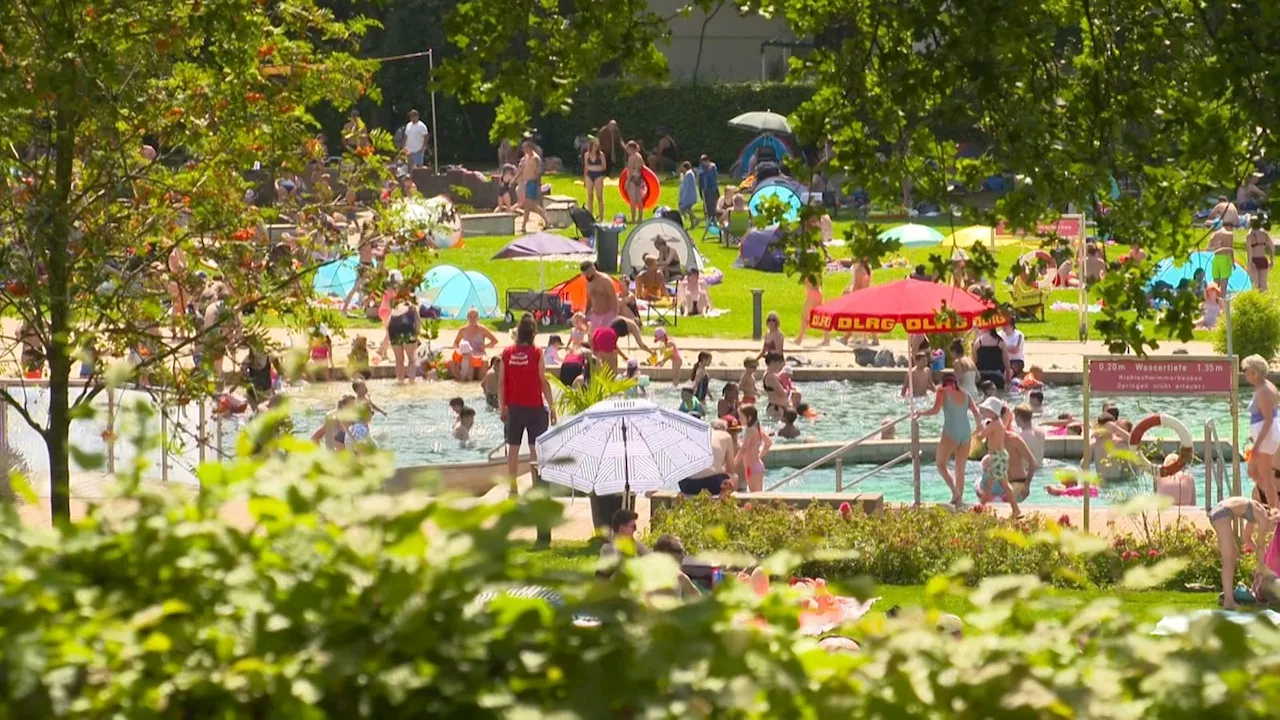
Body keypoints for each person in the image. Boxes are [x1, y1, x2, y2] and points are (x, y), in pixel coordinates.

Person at [499, 316, 558, 490]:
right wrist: (552, 407)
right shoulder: (536, 352)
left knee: (513, 449)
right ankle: (537, 486)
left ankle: (513, 487)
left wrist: (502, 407)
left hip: (514, 408)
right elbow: (543, 380)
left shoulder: (507, 353)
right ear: (533, 333)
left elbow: (501, 382)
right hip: (535, 407)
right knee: (535, 449)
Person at [917, 372, 983, 507]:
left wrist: (921, 413)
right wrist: (979, 427)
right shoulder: (966, 395)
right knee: (960, 468)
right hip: (966, 433)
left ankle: (955, 492)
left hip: (951, 432)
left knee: (941, 464)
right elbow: (976, 412)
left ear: (944, 383)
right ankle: (959, 501)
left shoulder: (942, 392)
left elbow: (935, 410)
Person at [1209, 496, 1278, 609]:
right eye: (1273, 527)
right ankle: (1228, 601)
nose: (1270, 531)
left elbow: (1247, 539)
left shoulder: (1257, 509)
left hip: (1218, 512)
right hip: (1222, 514)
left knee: (1234, 552)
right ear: (1273, 520)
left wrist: (1257, 553)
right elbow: (1261, 545)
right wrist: (1261, 565)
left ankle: (1228, 594)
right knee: (1229, 560)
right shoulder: (1264, 518)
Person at [1244, 354, 1280, 509]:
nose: (1245, 374)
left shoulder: (1265, 391)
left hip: (1266, 439)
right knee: (1254, 472)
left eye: (1247, 371)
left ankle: (1274, 511)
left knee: (1264, 477)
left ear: (1255, 373)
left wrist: (1257, 445)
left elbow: (1268, 420)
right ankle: (1273, 506)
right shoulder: (1263, 387)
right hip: (1264, 437)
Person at [976, 407, 1022, 517]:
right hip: (1000, 456)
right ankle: (1015, 509)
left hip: (997, 457)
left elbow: (980, 437)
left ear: (992, 412)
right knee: (997, 485)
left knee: (997, 486)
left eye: (987, 411)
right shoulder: (999, 423)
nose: (985, 413)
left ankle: (979, 508)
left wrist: (978, 425)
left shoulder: (993, 425)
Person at [679, 418, 738, 495]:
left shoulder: (698, 433)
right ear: (724, 429)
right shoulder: (726, 436)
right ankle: (730, 503)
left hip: (688, 484)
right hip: (712, 483)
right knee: (734, 477)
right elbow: (731, 469)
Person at [452, 308, 500, 379]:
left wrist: (485, 346)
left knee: (485, 361)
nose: (472, 319)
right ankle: (459, 381)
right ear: (467, 318)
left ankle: (480, 382)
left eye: (474, 317)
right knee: (452, 361)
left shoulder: (482, 329)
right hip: (466, 353)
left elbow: (495, 340)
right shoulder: (462, 330)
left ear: (478, 318)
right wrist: (457, 349)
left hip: (479, 352)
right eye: (470, 317)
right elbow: (456, 343)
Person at [651, 535, 702, 599]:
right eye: (679, 551)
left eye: (683, 552)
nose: (683, 556)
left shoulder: (680, 577)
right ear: (665, 553)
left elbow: (699, 599)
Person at [737, 405, 772, 493]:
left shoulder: (749, 430)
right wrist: (759, 456)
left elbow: (744, 448)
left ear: (749, 418)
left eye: (741, 417)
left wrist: (733, 462)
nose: (739, 419)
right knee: (758, 493)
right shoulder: (757, 429)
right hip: (756, 465)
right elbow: (768, 443)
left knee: (754, 495)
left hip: (751, 468)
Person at [517, 140, 549, 233]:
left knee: (532, 205)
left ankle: (546, 220)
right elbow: (522, 169)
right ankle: (523, 226)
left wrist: (538, 186)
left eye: (525, 148)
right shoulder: (526, 157)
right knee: (527, 206)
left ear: (530, 148)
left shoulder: (535, 158)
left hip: (533, 183)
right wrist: (515, 178)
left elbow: (538, 173)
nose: (523, 150)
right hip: (528, 183)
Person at [386, 298, 420, 383]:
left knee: (399, 360)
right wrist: (416, 334)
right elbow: (417, 320)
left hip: (393, 327)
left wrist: (388, 337)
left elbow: (389, 321)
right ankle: (411, 383)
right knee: (412, 360)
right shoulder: (413, 302)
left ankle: (400, 382)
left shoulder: (396, 303)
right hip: (407, 325)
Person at [581, 261, 619, 330]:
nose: (587, 276)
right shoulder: (588, 283)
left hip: (607, 315)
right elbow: (589, 301)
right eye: (585, 274)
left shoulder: (605, 280)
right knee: (592, 338)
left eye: (589, 273)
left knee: (605, 338)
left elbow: (613, 298)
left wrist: (615, 315)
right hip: (595, 316)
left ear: (593, 269)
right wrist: (585, 314)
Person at [241, 347, 281, 411]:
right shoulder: (248, 360)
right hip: (253, 393)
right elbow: (242, 374)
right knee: (259, 412)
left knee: (264, 412)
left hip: (266, 391)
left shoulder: (269, 357)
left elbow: (279, 369)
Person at [794, 276, 828, 347]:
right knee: (820, 317)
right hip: (818, 292)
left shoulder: (809, 271)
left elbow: (806, 281)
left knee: (805, 317)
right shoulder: (817, 271)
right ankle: (826, 339)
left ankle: (799, 339)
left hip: (812, 294)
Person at [1247, 214, 1274, 291]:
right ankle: (1266, 301)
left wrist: (1250, 262)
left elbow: (1249, 250)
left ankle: (1257, 301)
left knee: (1255, 284)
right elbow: (1272, 247)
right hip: (1263, 259)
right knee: (1263, 285)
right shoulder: (1264, 233)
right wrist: (1271, 260)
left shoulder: (1249, 235)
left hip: (1254, 260)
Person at [583, 137, 607, 218]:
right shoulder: (586, 155)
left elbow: (604, 167)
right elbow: (586, 167)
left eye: (597, 145)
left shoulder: (601, 155)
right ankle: (590, 215)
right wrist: (584, 179)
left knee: (599, 196)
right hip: (589, 175)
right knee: (590, 196)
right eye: (595, 145)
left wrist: (595, 167)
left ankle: (601, 216)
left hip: (598, 175)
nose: (596, 147)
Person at [625, 140, 647, 223]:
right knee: (639, 200)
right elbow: (644, 167)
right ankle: (640, 218)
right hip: (639, 178)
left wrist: (627, 181)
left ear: (631, 149)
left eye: (628, 149)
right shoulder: (639, 156)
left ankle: (633, 219)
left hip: (632, 179)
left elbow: (630, 170)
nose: (627, 151)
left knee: (633, 200)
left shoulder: (631, 158)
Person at [698, 155, 720, 223]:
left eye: (704, 161)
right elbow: (701, 178)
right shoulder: (702, 168)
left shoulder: (713, 166)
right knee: (707, 204)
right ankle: (709, 218)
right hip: (705, 189)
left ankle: (715, 217)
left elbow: (714, 176)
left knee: (715, 202)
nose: (703, 163)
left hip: (713, 188)